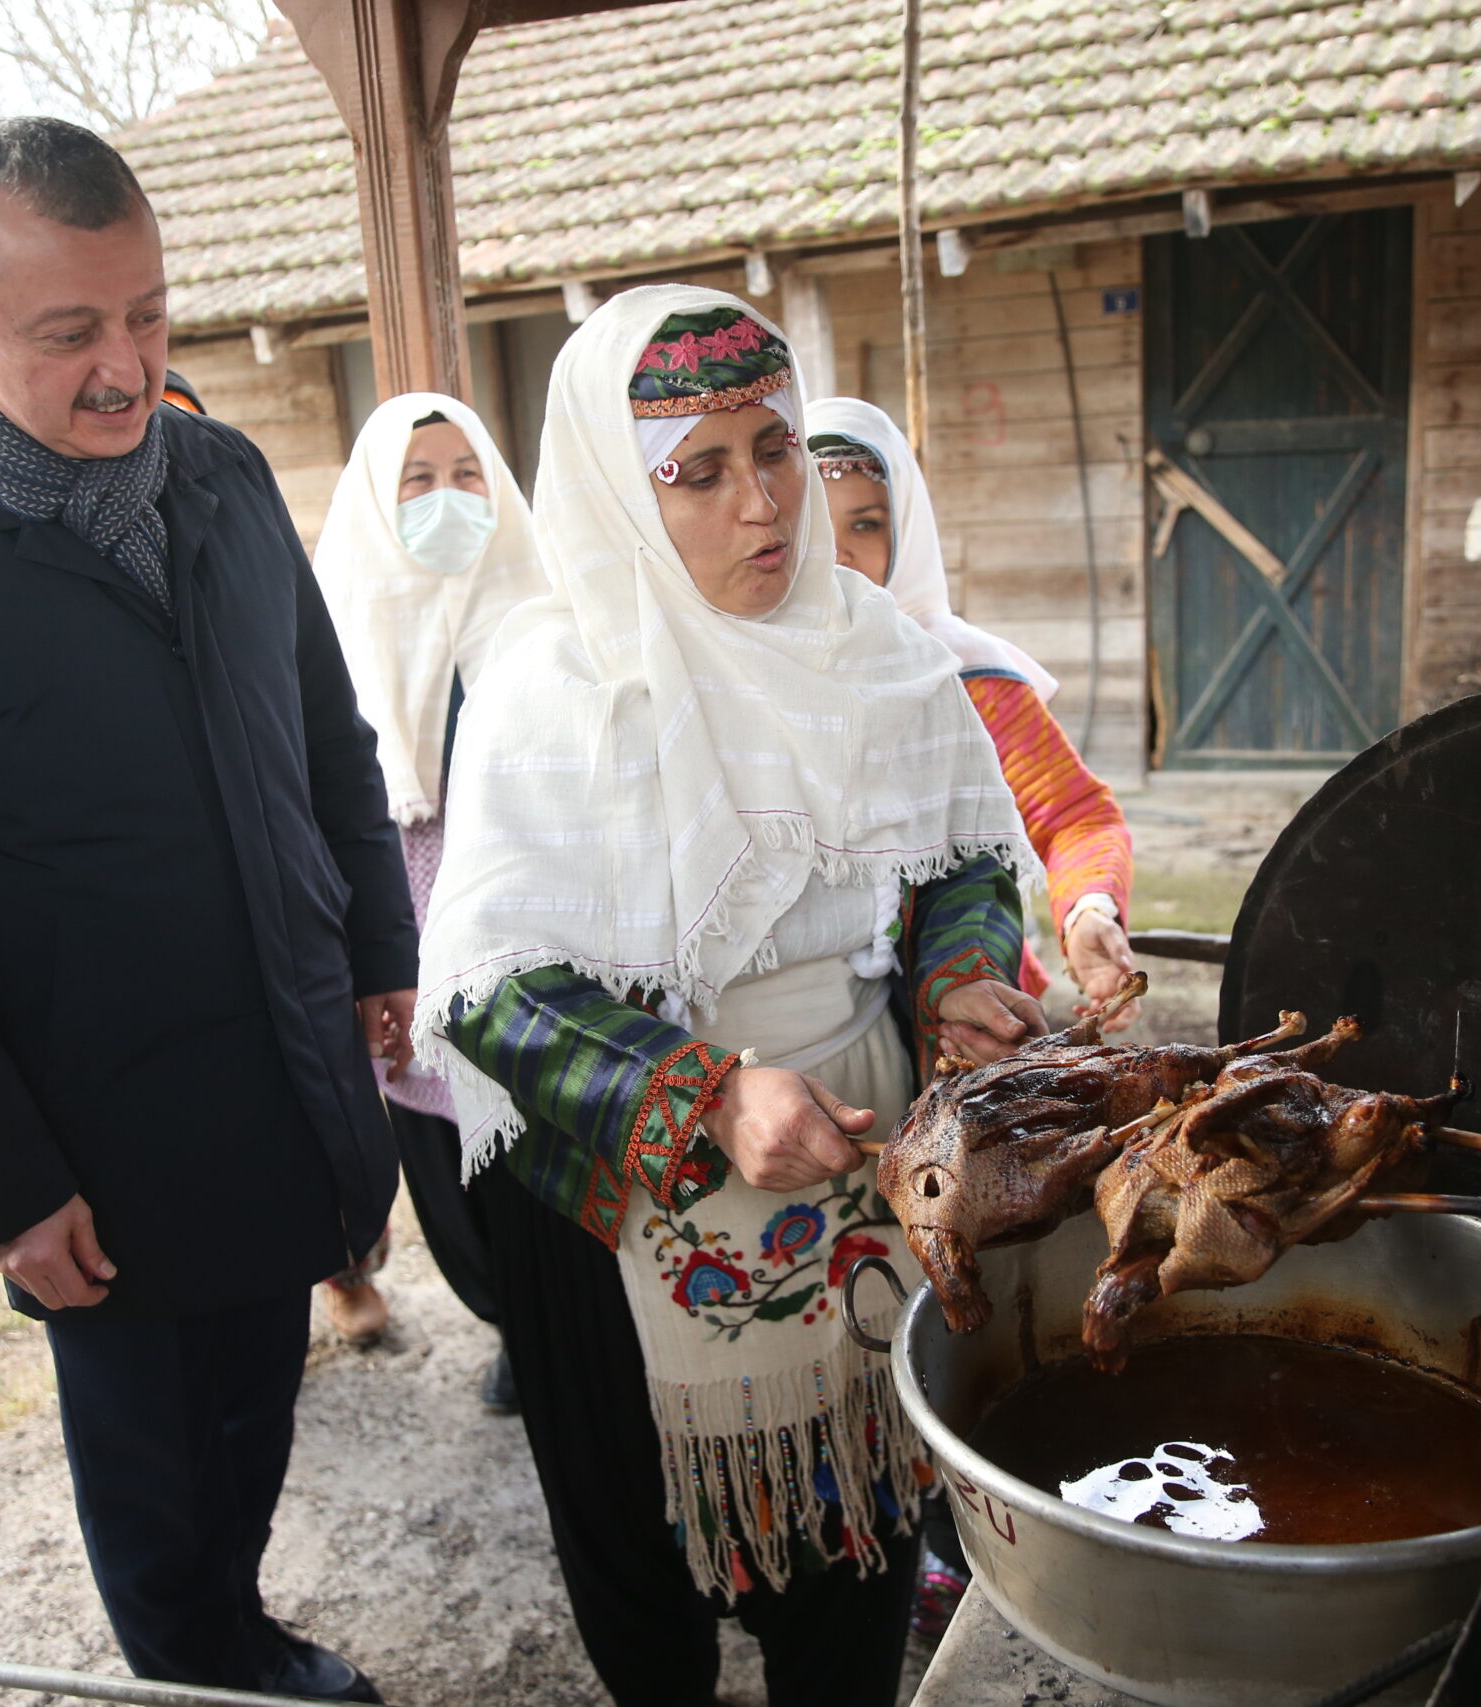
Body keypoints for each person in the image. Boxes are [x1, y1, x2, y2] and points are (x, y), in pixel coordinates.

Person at [0, 117, 408, 1703]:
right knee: (155, 1461)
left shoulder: (228, 474)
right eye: (69, 333)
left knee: (255, 1404)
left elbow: (328, 741)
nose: (125, 369)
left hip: (289, 1069)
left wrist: (379, 950)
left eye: (149, 316)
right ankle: (195, 1669)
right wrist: (8, 1188)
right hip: (98, 1150)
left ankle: (236, 1628)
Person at [413, 286, 1045, 1707]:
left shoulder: (877, 650)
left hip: (863, 1143)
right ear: (617, 490)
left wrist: (957, 977)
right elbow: (489, 986)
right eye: (697, 471)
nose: (763, 502)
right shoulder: (549, 688)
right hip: (616, 1213)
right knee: (645, 1577)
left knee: (860, 1545)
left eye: (772, 446)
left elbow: (961, 854)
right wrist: (700, 1089)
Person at [309, 393, 547, 1408]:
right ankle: (499, 1314)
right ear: (375, 498)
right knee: (435, 1136)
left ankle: (544, 1327)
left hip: (523, 913)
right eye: (417, 479)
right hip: (398, 918)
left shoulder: (543, 610)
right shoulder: (335, 624)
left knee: (530, 1132)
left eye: (465, 475)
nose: (446, 498)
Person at [808, 398, 1138, 1032]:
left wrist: (1087, 910)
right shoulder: (741, 678)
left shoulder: (966, 678)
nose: (839, 555)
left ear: (905, 532)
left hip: (967, 1014)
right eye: (815, 530)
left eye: (867, 525)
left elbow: (1076, 818)